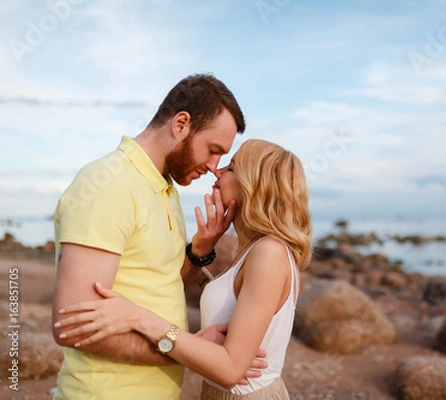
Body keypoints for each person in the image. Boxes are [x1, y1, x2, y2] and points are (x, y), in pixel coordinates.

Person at [51, 74, 266, 400]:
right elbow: (72, 326)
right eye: (212, 150)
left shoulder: (165, 189)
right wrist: (186, 348)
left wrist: (199, 251)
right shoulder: (109, 185)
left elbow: (160, 282)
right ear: (181, 124)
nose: (214, 167)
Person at [54, 139, 313, 399]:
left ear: (255, 185)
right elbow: (227, 300)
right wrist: (200, 250)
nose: (218, 171)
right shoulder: (254, 250)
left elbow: (230, 370)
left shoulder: (269, 253)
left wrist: (139, 317)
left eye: (231, 167)